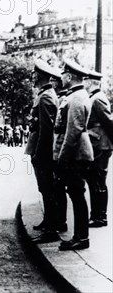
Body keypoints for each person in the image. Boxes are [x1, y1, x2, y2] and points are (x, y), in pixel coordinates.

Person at [54, 59, 94, 251]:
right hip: (77, 152)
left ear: (69, 77)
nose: (61, 78)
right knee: (76, 194)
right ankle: (79, 235)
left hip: (76, 154)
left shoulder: (76, 98)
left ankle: (82, 237)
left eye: (63, 74)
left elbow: (73, 131)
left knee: (77, 195)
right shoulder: (76, 95)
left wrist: (62, 159)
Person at [25, 59, 63, 243]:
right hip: (42, 150)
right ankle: (49, 222)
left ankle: (51, 230)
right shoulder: (45, 94)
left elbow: (46, 130)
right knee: (45, 189)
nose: (31, 76)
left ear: (38, 75)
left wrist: (39, 154)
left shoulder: (46, 96)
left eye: (33, 74)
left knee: (47, 189)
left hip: (44, 152)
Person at [85, 70, 113, 228]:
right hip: (97, 144)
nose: (84, 84)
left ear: (90, 82)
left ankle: (100, 216)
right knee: (95, 180)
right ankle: (96, 215)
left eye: (86, 81)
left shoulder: (97, 99)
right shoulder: (94, 97)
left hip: (101, 145)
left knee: (98, 181)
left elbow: (108, 122)